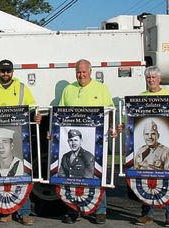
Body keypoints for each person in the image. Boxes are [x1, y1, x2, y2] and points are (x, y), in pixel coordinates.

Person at [0, 59, 41, 226]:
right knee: (2, 177)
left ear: (12, 72)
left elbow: (32, 108)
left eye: (8, 71)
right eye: (3, 71)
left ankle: (24, 213)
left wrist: (36, 116)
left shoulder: (21, 89)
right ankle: (7, 212)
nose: (5, 74)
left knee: (21, 176)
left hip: (18, 138)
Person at [58, 59, 114, 224]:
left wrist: (111, 128)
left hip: (96, 142)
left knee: (97, 175)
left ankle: (100, 211)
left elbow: (110, 111)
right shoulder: (68, 89)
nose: (81, 75)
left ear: (90, 71)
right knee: (71, 177)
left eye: (84, 72)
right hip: (74, 141)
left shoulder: (101, 88)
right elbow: (61, 114)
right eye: (78, 72)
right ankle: (73, 210)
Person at [133, 66, 169, 226]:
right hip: (147, 150)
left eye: (154, 77)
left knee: (167, 181)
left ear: (159, 79)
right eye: (148, 78)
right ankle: (147, 215)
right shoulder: (140, 97)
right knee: (145, 180)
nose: (151, 80)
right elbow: (132, 119)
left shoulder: (167, 95)